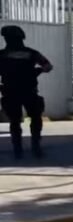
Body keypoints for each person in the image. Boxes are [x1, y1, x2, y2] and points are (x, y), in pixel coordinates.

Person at [0, 25, 53, 159]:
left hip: (10, 92)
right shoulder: (31, 53)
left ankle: (18, 149)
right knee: (35, 118)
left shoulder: (2, 55)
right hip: (28, 91)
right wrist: (37, 71)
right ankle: (35, 146)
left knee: (15, 121)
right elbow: (48, 66)